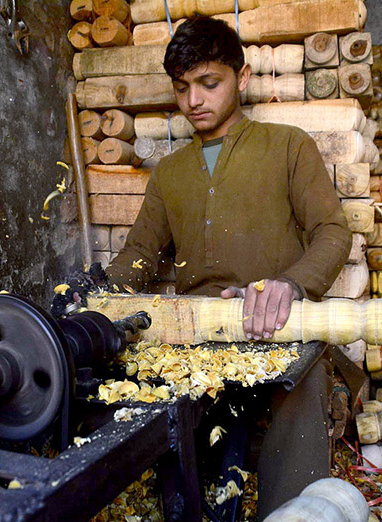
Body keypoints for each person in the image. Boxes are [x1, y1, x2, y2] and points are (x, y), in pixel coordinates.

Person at [104, 16, 352, 517]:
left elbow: (333, 231)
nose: (193, 100)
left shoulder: (287, 145)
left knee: (301, 385)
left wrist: (292, 285)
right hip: (197, 338)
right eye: (181, 88)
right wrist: (96, 299)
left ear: (241, 78)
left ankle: (292, 512)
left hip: (277, 331)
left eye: (208, 83)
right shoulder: (171, 173)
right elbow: (140, 257)